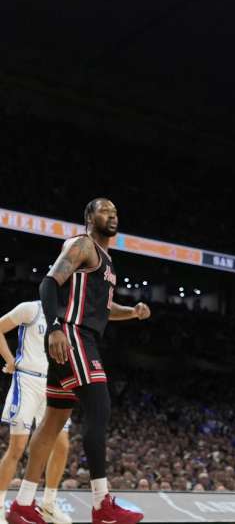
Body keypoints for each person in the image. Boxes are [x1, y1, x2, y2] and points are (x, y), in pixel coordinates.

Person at [6, 198, 151, 524]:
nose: (111, 215)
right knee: (99, 408)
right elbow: (49, 283)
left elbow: (105, 308)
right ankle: (102, 505)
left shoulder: (108, 262)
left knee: (54, 421)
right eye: (104, 211)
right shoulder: (82, 245)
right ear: (89, 217)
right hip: (72, 336)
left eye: (115, 211)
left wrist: (133, 312)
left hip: (78, 336)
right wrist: (55, 327)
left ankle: (23, 504)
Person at [0, 303, 73, 524]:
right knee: (17, 448)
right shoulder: (31, 309)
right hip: (28, 381)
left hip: (56, 384)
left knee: (62, 446)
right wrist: (10, 360)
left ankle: (48, 505)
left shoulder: (70, 317)